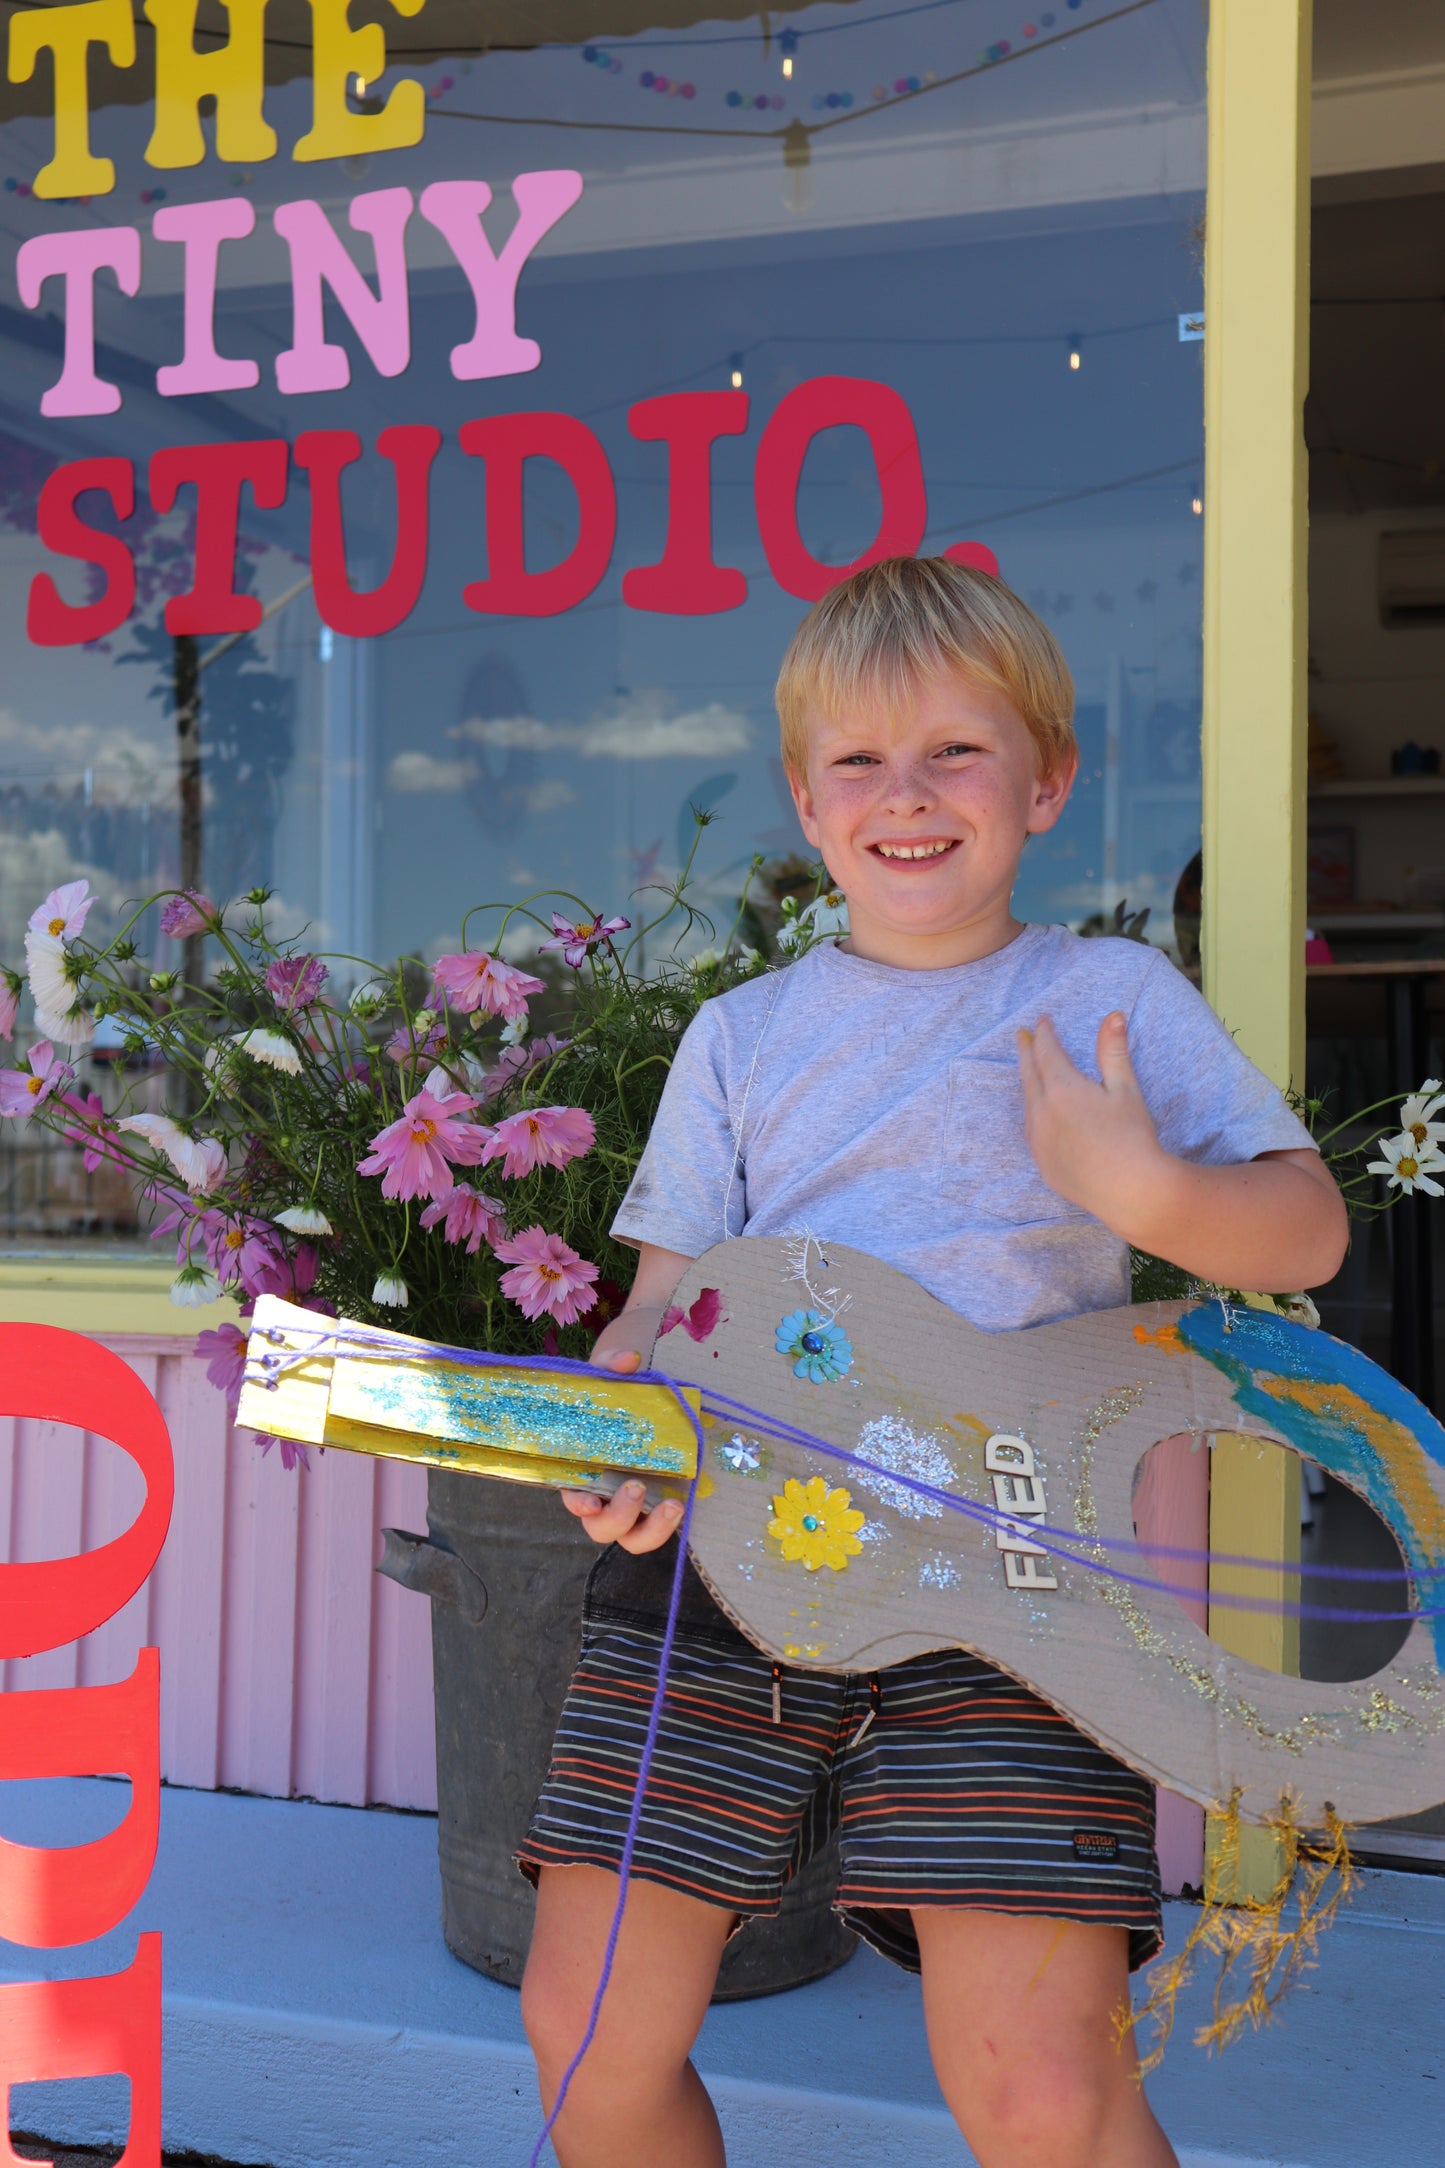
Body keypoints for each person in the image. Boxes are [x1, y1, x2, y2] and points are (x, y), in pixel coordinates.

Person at [518, 556, 1348, 2168]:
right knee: (587, 2034)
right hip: (724, 1561)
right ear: (805, 805)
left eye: (956, 751)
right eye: (858, 762)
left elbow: (1306, 1232)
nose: (906, 795)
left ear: (1045, 780)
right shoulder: (738, 1038)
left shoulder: (1104, 999)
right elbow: (656, 1309)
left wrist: (1146, 1194)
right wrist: (614, 1428)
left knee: (1039, 2088)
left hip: (1017, 1577)